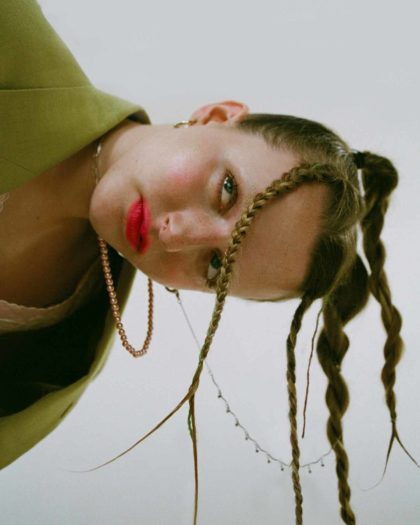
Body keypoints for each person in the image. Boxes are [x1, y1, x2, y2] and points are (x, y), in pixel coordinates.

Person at [0, 2, 416, 525]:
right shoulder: (11, 38)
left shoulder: (60, 359)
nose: (176, 236)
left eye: (217, 266)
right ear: (215, 116)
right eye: (226, 191)